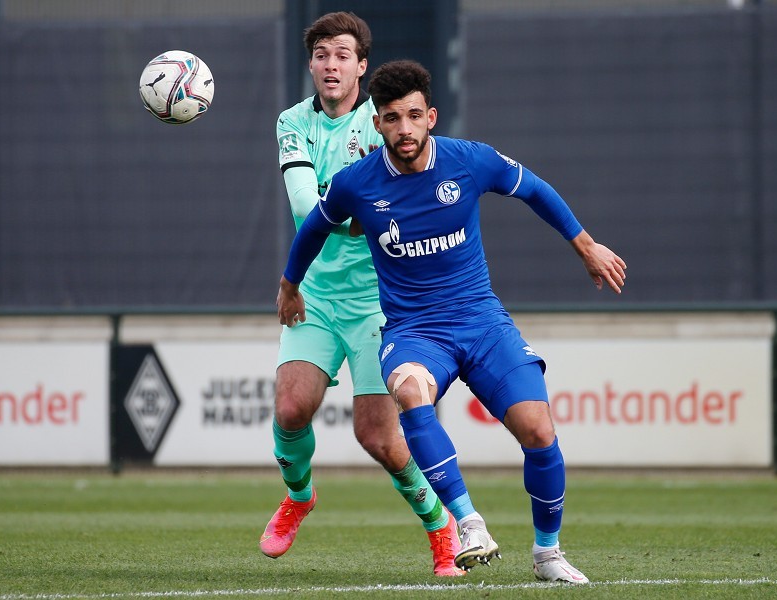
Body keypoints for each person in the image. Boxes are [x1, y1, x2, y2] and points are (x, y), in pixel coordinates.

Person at [277, 59, 627, 584]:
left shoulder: (470, 161)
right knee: (411, 392)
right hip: (415, 331)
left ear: (431, 116)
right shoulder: (357, 183)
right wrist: (289, 285)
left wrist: (586, 246)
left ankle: (548, 554)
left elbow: (534, 188)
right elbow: (313, 230)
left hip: (482, 321)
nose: (405, 129)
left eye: (414, 116)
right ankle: (468, 523)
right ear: (377, 124)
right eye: (392, 118)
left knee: (538, 430)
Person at [260, 15, 465, 578]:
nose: (331, 65)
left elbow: (407, 197)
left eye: (343, 55)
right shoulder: (292, 122)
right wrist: (360, 215)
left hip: (381, 301)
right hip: (315, 295)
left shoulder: (382, 124)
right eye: (322, 54)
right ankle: (299, 496)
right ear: (311, 65)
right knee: (289, 407)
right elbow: (306, 207)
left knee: (377, 436)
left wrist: (360, 214)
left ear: (361, 65)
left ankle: (439, 526)